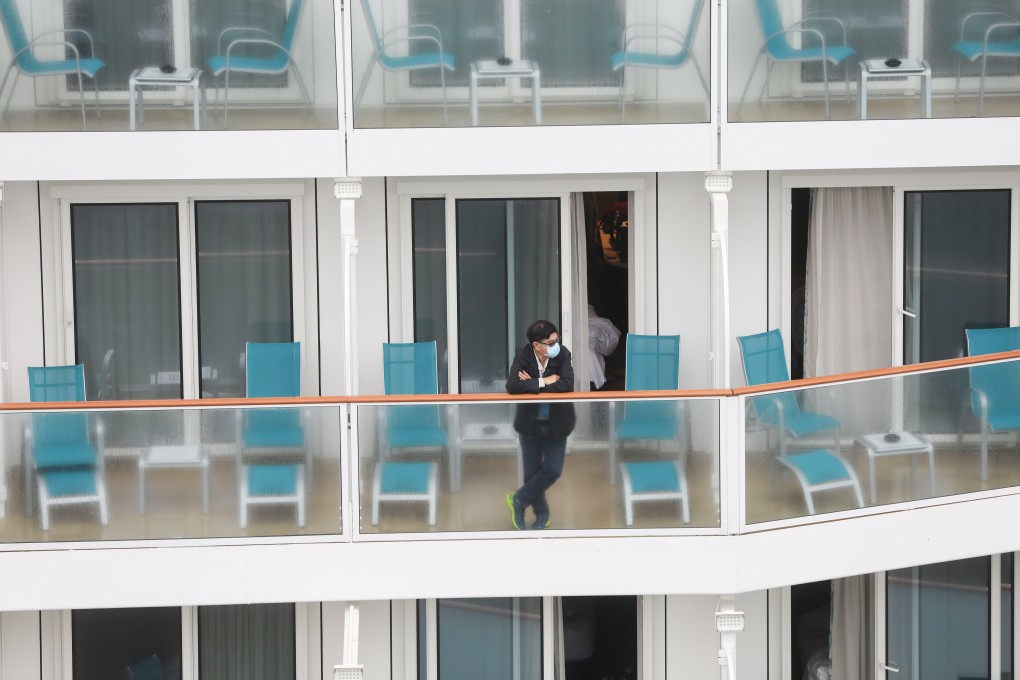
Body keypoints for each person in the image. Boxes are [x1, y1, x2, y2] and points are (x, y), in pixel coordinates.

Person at [505, 320, 576, 530]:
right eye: (550, 342)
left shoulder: (563, 354)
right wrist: (545, 380)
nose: (556, 345)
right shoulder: (522, 355)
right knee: (531, 473)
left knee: (553, 469)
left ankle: (518, 499)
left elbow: (567, 384)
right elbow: (512, 386)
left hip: (557, 423)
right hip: (530, 424)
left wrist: (532, 385)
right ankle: (542, 515)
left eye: (557, 340)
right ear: (537, 345)